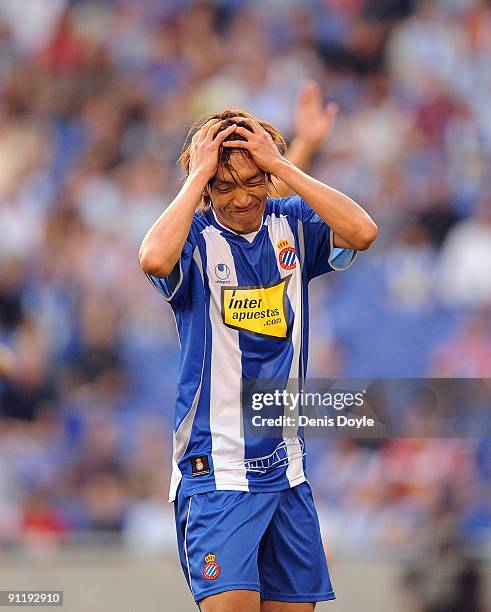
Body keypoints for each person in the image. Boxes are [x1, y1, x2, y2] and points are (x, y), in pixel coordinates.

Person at [139, 82, 377, 612]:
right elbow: (153, 259)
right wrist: (198, 171)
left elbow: (362, 231)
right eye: (223, 186)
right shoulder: (194, 242)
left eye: (253, 181)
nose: (241, 197)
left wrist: (288, 164)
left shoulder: (291, 222)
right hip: (217, 469)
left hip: (286, 468)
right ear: (204, 190)